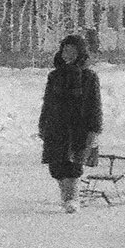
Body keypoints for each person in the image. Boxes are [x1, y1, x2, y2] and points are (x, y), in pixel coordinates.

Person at [38, 31, 103, 213]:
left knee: (74, 164)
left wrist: (95, 128)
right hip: (56, 126)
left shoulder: (88, 77)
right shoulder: (54, 76)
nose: (68, 54)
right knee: (56, 167)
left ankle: (72, 199)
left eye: (73, 51)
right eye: (66, 50)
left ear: (80, 53)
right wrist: (43, 124)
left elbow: (94, 105)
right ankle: (66, 196)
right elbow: (48, 102)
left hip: (79, 127)